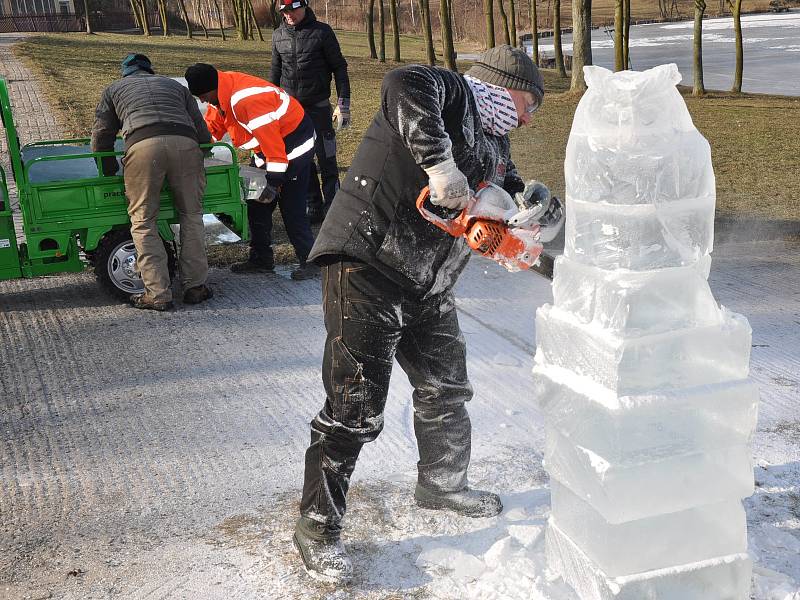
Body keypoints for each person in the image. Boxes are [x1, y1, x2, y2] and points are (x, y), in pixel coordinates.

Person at [293, 45, 546, 582]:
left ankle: (443, 483)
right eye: (532, 104)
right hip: (367, 266)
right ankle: (318, 528)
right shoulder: (453, 95)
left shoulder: (494, 143)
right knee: (355, 407)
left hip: (427, 285)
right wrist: (439, 165)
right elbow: (403, 82)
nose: (530, 118)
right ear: (506, 85)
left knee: (446, 388)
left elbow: (506, 189)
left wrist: (534, 203)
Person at [91, 53, 213, 311]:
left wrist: (109, 170)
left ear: (125, 73)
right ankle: (195, 287)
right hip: (185, 144)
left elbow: (102, 135)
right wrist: (198, 156)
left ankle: (157, 293)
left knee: (144, 221)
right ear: (151, 70)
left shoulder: (113, 89)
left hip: (143, 146)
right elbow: (202, 133)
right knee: (191, 215)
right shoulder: (176, 87)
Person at [184, 63, 320, 281]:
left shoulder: (248, 101)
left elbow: (274, 147)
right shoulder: (221, 93)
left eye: (202, 95)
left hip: (293, 148)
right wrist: (195, 148)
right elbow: (212, 127)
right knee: (256, 203)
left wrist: (274, 183)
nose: (202, 100)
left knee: (291, 207)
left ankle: (311, 261)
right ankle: (261, 259)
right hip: (267, 149)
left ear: (212, 88)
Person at [269, 0, 350, 224]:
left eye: (292, 10)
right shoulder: (278, 36)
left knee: (327, 157)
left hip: (319, 107)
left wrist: (343, 102)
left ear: (303, 6)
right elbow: (275, 71)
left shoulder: (322, 32)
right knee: (303, 159)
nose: (288, 15)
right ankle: (313, 205)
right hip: (291, 111)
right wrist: (271, 104)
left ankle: (334, 207)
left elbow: (339, 67)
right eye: (284, 12)